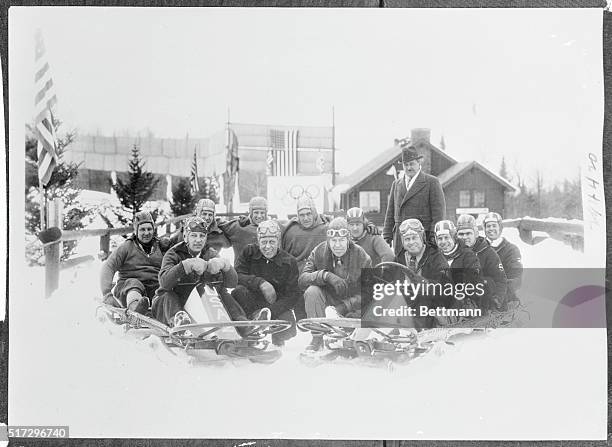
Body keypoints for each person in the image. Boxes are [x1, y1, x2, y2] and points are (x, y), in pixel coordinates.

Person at [152, 216, 249, 328]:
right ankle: (179, 322)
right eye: (193, 235)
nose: (198, 240)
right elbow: (164, 283)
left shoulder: (210, 253)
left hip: (198, 304)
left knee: (222, 292)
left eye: (202, 236)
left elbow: (231, 284)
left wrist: (225, 266)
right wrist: (185, 266)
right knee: (168, 294)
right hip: (169, 306)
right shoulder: (173, 254)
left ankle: (241, 322)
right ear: (185, 237)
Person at [299, 217, 372, 352]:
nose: (337, 245)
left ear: (348, 239)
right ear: (328, 240)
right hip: (328, 298)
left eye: (341, 240)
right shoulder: (318, 251)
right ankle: (317, 338)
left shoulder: (362, 256)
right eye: (333, 240)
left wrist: (345, 306)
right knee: (312, 292)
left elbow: (368, 293)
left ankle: (354, 337)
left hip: (353, 303)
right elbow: (303, 278)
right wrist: (325, 276)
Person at [232, 220, 299, 346]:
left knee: (288, 330)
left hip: (275, 305)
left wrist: (270, 312)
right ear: (258, 241)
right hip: (251, 301)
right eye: (264, 242)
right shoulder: (249, 252)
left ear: (278, 242)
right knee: (238, 292)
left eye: (272, 242)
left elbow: (293, 295)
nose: (268, 247)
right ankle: (249, 336)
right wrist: (259, 283)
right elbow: (237, 275)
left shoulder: (289, 261)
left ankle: (277, 341)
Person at [383, 143, 446, 256]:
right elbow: (390, 213)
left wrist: (432, 236)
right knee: (401, 269)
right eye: (405, 165)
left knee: (422, 270)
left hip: (423, 238)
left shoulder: (431, 182)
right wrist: (387, 236)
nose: (409, 168)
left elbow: (438, 214)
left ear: (419, 163)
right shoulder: (396, 184)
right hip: (400, 239)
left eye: (411, 164)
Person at [100, 211, 166, 315]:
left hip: (153, 288)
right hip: (128, 290)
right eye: (142, 229)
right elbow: (108, 266)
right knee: (134, 284)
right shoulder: (127, 247)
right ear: (136, 231)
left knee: (163, 288)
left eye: (149, 229)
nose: (146, 233)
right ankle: (135, 309)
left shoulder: (160, 246)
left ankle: (168, 314)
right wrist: (106, 294)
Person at [393, 218, 452, 328]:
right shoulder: (399, 258)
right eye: (407, 239)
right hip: (403, 308)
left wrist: (421, 284)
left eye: (414, 238)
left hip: (430, 308)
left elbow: (445, 289)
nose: (411, 242)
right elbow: (388, 281)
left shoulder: (436, 258)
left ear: (422, 238)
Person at [455, 214, 507, 311]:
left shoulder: (488, 253)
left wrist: (497, 300)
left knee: (487, 281)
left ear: (476, 233)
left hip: (484, 299)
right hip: (461, 299)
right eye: (461, 234)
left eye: (468, 233)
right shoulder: (453, 253)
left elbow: (501, 280)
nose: (464, 237)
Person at [434, 220, 482, 319]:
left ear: (454, 238)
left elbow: (474, 280)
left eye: (446, 237)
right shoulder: (435, 258)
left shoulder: (467, 255)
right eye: (440, 238)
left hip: (466, 299)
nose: (443, 242)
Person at [483, 212, 523, 308]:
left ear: (500, 228)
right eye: (488, 226)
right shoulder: (480, 247)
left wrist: (498, 297)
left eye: (494, 225)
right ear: (484, 229)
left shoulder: (511, 249)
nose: (491, 229)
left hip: (504, 298)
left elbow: (515, 278)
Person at [218, 196, 268, 261]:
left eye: (262, 213)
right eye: (256, 212)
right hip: (242, 269)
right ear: (250, 212)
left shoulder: (272, 228)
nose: (259, 216)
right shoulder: (238, 226)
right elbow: (218, 223)